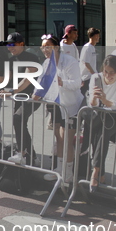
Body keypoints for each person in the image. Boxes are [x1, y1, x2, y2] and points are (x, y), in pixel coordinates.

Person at [38, 35, 83, 183]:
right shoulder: (45, 63)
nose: (45, 49)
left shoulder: (70, 61)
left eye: (48, 46)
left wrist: (61, 82)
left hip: (71, 106)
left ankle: (68, 173)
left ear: (56, 47)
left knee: (67, 140)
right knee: (59, 138)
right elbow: (41, 82)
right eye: (43, 46)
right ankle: (59, 169)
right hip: (55, 105)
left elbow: (77, 83)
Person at [87, 55, 116, 192]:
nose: (109, 75)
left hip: (114, 117)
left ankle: (95, 171)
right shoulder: (96, 78)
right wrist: (94, 98)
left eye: (112, 72)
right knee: (96, 138)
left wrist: (106, 101)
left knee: (103, 135)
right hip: (98, 115)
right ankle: (102, 174)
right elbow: (92, 104)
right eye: (106, 71)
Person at [0, 32, 40, 166]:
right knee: (20, 123)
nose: (10, 48)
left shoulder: (32, 57)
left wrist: (10, 92)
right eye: (8, 45)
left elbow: (27, 80)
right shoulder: (11, 60)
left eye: (12, 45)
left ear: (21, 44)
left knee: (18, 119)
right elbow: (8, 79)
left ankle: (21, 152)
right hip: (19, 97)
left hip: (33, 97)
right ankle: (31, 155)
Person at [79, 28, 100, 95]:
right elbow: (86, 63)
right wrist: (94, 74)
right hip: (87, 77)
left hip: (91, 77)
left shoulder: (92, 47)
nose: (98, 38)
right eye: (97, 36)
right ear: (93, 36)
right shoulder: (87, 47)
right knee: (85, 96)